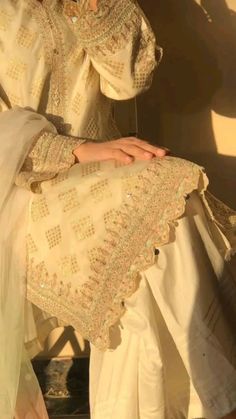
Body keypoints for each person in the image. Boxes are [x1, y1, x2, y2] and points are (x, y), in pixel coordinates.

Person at [0, 0, 235, 418]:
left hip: (110, 179)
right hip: (21, 191)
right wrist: (78, 150)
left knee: (171, 211)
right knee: (159, 214)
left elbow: (129, 81)